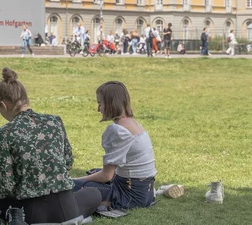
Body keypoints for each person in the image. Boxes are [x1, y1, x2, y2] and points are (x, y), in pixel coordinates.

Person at [0, 67, 101, 225]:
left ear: (3, 105)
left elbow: (6, 185)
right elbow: (68, 163)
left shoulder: (5, 132)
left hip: (30, 214)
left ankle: (12, 215)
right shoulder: (55, 121)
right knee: (94, 193)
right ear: (26, 99)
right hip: (67, 210)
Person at [73, 81, 178, 209]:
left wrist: (77, 180)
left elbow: (107, 175)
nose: (98, 109)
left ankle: (107, 200)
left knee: (77, 186)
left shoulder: (117, 130)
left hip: (129, 196)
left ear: (111, 103)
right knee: (93, 172)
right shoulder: (135, 124)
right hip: (146, 193)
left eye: (100, 104)